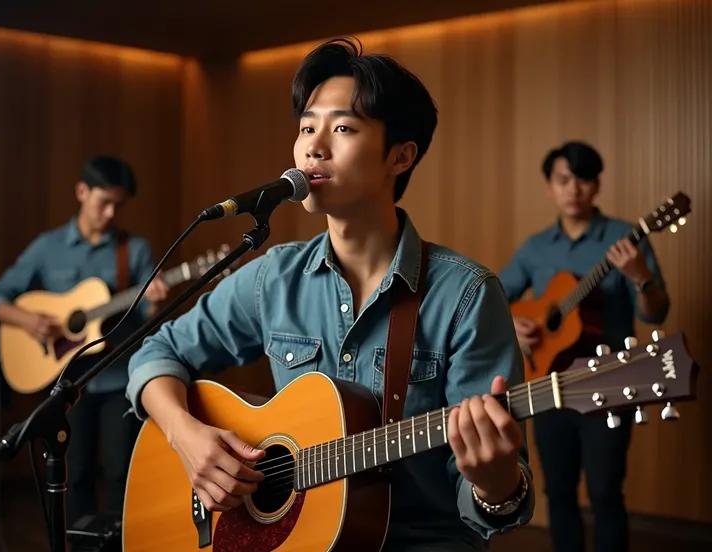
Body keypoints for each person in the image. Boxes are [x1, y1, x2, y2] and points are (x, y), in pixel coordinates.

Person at [125, 37, 535, 551]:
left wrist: (494, 483)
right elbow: (155, 353)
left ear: (400, 156)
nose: (314, 146)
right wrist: (187, 437)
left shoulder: (466, 295)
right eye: (306, 127)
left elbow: (499, 504)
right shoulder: (274, 276)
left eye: (342, 127)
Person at [499, 140, 670, 552]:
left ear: (596, 187)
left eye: (583, 180)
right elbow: (493, 298)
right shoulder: (535, 247)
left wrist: (640, 275)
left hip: (609, 384)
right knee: (557, 492)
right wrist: (513, 325)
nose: (573, 189)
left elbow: (656, 312)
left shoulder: (626, 239)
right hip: (550, 386)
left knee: (605, 494)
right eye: (563, 180)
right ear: (550, 188)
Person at [0, 155, 170, 527]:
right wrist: (28, 320)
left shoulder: (135, 250)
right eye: (104, 202)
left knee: (121, 471)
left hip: (120, 378)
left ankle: (120, 541)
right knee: (73, 471)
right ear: (82, 192)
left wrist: (157, 305)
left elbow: (154, 324)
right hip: (68, 384)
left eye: (120, 205)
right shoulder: (47, 247)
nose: (111, 213)